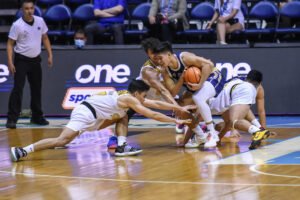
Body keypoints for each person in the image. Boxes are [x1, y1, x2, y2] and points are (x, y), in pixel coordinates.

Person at [10, 79, 193, 161]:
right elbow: (151, 113)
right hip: (85, 113)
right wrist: (175, 122)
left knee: (122, 115)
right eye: (143, 96)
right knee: (62, 140)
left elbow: (155, 104)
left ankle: (121, 146)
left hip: (95, 117)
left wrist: (178, 108)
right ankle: (22, 151)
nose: (144, 99)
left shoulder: (128, 98)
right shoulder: (129, 99)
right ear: (136, 93)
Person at [107, 38, 197, 149]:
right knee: (124, 115)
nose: (155, 55)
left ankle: (194, 131)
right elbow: (163, 90)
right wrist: (176, 107)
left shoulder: (167, 60)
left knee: (187, 106)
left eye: (156, 52)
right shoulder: (148, 70)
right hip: (143, 94)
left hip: (162, 94)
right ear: (148, 54)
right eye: (152, 53)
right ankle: (116, 139)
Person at [153, 42, 226, 148]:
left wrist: (200, 83)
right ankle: (200, 136)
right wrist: (181, 79)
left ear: (169, 55)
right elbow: (173, 92)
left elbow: (208, 64)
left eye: (160, 58)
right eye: (156, 60)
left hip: (212, 77)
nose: (159, 62)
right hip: (195, 86)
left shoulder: (185, 58)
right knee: (179, 109)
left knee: (198, 98)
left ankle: (213, 134)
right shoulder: (165, 71)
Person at [6, 0, 53, 129]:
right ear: (22, 10)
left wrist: (50, 54)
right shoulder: (17, 25)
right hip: (21, 60)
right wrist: (10, 62)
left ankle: (37, 116)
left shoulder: (40, 21)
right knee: (18, 89)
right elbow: (10, 44)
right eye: (26, 8)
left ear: (34, 9)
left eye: (31, 8)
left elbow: (45, 38)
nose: (29, 11)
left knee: (36, 89)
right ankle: (12, 119)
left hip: (35, 60)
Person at [208, 70, 270, 149]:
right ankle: (259, 130)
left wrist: (233, 129)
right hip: (238, 92)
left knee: (234, 121)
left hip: (235, 91)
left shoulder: (213, 103)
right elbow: (260, 111)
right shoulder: (258, 87)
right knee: (231, 122)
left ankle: (257, 131)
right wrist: (219, 138)